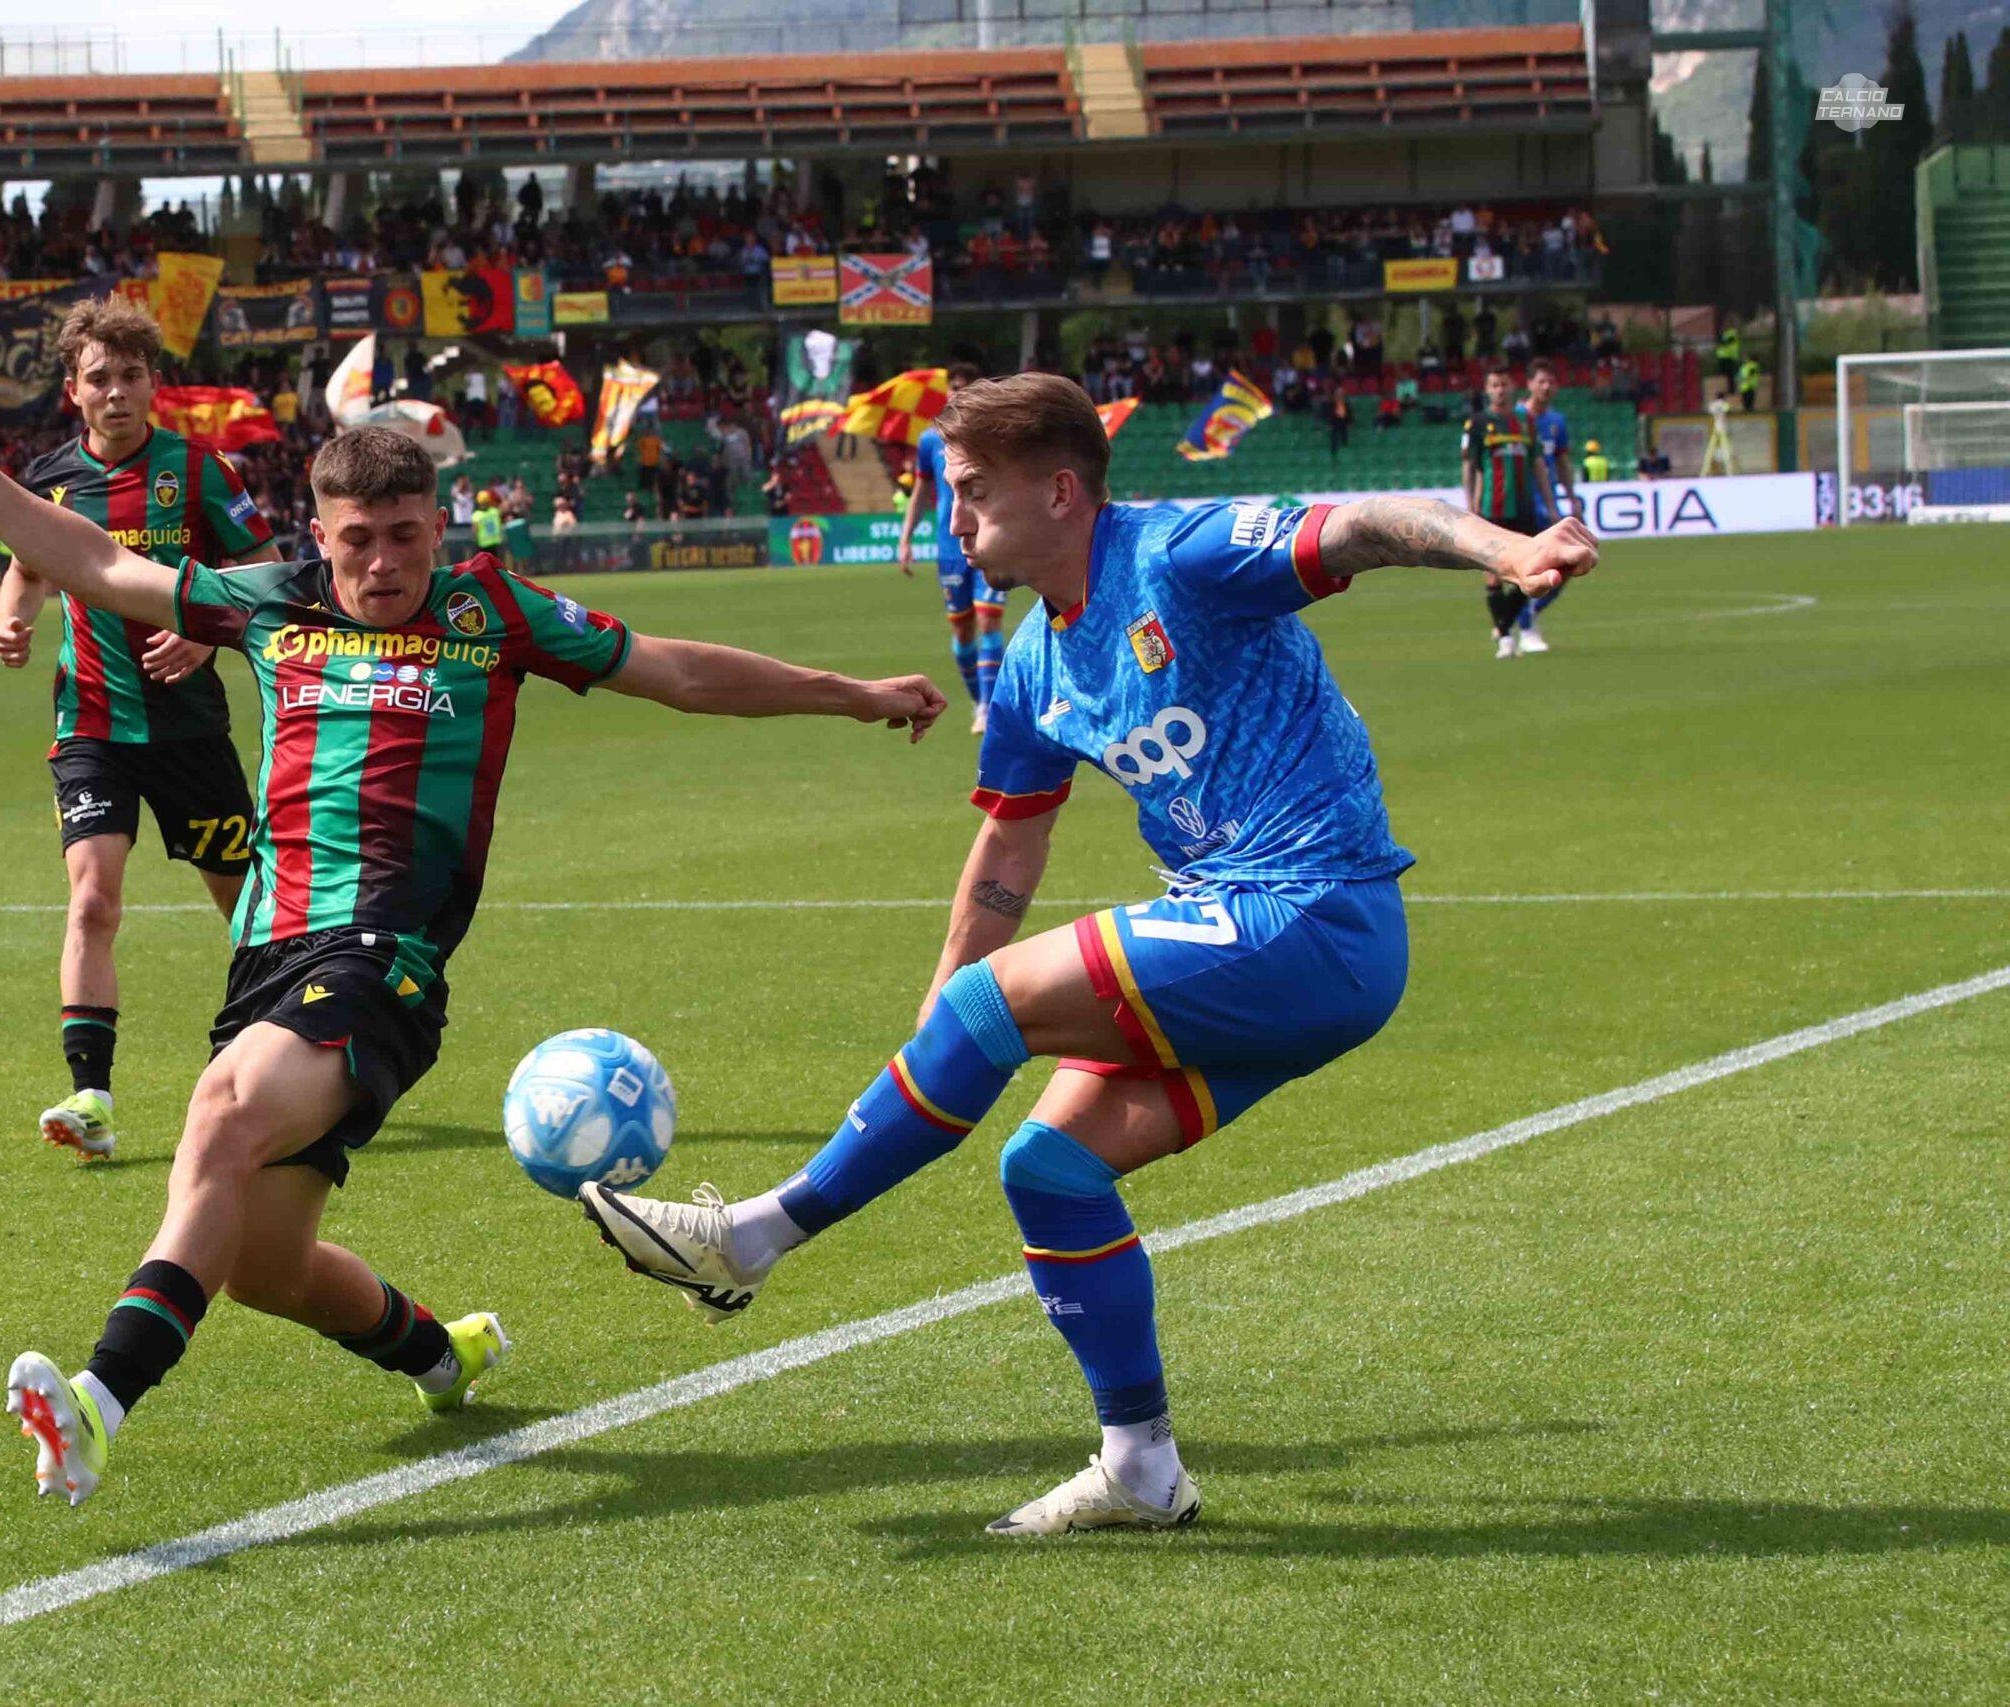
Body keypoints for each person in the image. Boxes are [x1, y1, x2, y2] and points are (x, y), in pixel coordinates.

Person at [0, 390, 946, 1506]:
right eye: (357, 539)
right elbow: (95, 561)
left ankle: (99, 1400)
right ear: (319, 533)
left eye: (404, 536)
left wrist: (852, 694)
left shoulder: (495, 613)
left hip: (386, 960)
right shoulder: (270, 606)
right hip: (266, 960)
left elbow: (675, 671)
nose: (383, 562)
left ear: (437, 526)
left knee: (223, 1118)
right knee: (262, 1266)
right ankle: (444, 1353)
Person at [578, 373, 1595, 1536]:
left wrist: (1503, 548)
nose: (954, 523)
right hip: (1261, 949)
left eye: (971, 494)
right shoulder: (1029, 666)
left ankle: (750, 1237)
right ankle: (1140, 1466)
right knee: (1048, 1170)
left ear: (1060, 491)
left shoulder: (1181, 556)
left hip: (1309, 913)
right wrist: (938, 1021)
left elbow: (1364, 522)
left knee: (994, 1018)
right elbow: (1009, 849)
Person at [0, 299, 282, 1162]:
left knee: (246, 909)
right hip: (91, 725)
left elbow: (261, 571)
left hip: (191, 729)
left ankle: (279, 1072)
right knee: (92, 899)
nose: (116, 392)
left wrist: (205, 628)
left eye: (130, 376)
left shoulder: (200, 471)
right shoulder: (48, 478)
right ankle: (92, 1098)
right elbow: (26, 567)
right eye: (98, 379)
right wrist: (14, 618)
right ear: (73, 392)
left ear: (152, 384)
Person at [900, 363, 1001, 733]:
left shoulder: (993, 437)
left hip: (990, 538)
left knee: (989, 617)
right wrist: (906, 537)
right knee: (962, 630)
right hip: (950, 547)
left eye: (965, 387)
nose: (957, 393)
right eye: (953, 387)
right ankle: (978, 700)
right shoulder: (930, 441)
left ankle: (990, 708)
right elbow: (921, 490)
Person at [1460, 363, 1554, 659]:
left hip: (1524, 508)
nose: (1500, 390)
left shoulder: (1525, 423)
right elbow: (1470, 468)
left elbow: (1538, 464)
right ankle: (1505, 638)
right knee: (1493, 576)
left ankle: (1503, 629)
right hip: (1491, 508)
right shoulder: (1476, 424)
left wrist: (1550, 504)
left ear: (1513, 387)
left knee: (1530, 573)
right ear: (1487, 390)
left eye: (1504, 384)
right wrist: (1471, 506)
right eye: (1494, 385)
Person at [1513, 361, 1578, 654]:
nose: (1547, 387)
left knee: (1566, 564)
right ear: (1529, 384)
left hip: (1547, 503)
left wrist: (1571, 494)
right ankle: (1524, 627)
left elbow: (1561, 461)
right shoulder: (1514, 418)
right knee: (1525, 566)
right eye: (1541, 381)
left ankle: (1524, 616)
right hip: (1519, 503)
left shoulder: (1556, 422)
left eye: (1551, 382)